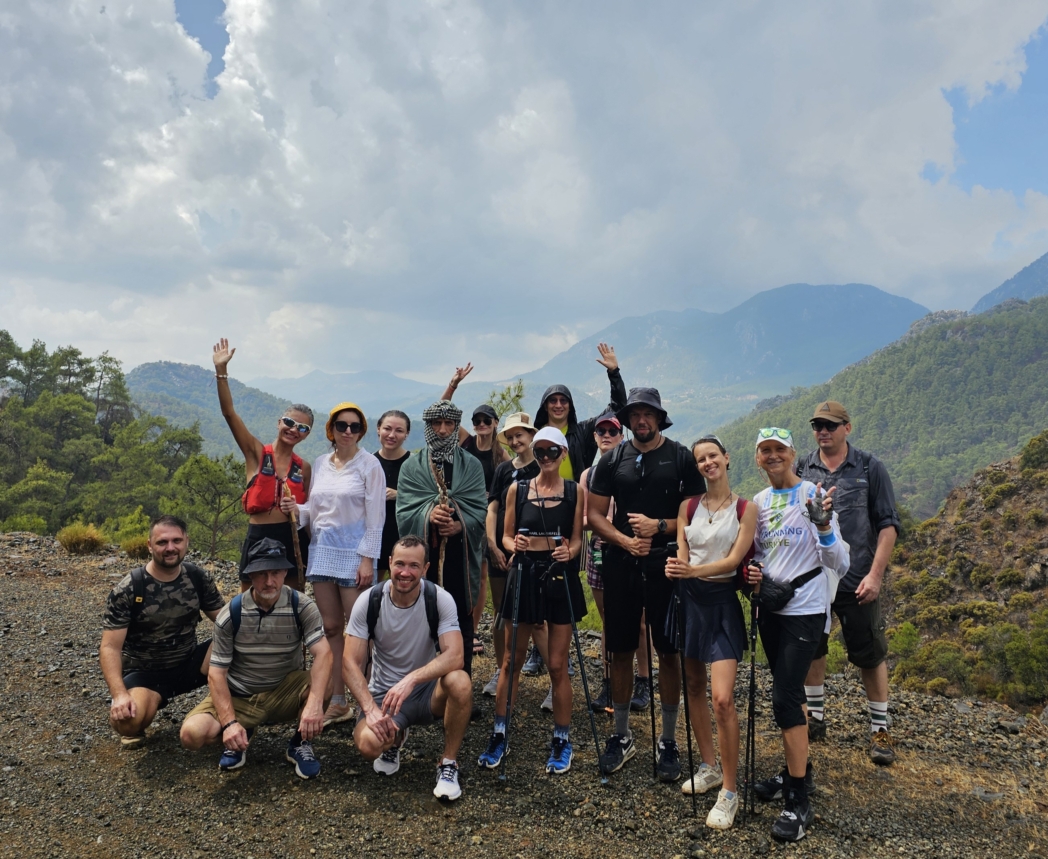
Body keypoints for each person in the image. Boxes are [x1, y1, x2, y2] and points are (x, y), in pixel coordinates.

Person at [588, 388, 705, 780]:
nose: (642, 419)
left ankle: (668, 740)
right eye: (635, 413)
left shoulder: (680, 457)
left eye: (648, 414)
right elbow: (594, 515)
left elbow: (696, 515)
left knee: (668, 652)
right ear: (627, 419)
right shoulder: (613, 459)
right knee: (620, 650)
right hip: (621, 564)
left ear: (659, 418)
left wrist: (658, 528)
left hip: (667, 564)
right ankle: (622, 735)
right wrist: (623, 541)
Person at [749, 427, 849, 843]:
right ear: (757, 458)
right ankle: (799, 771)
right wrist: (750, 574)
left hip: (805, 610)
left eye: (779, 450)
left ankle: (797, 801)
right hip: (772, 610)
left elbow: (839, 561)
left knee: (785, 697)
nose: (773, 457)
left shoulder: (812, 495)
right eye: (765, 451)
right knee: (787, 692)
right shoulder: (758, 502)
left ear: (792, 453)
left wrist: (823, 524)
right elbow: (756, 551)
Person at [795, 401, 900, 765]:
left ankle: (879, 729)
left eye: (830, 425)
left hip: (858, 581)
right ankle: (817, 719)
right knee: (814, 649)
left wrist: (875, 575)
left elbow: (887, 525)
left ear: (847, 428)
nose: (823, 431)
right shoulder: (803, 468)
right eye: (817, 425)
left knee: (870, 654)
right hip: (814, 581)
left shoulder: (870, 467)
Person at [477, 427, 586, 774]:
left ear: (564, 453)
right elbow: (507, 536)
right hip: (523, 572)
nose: (546, 458)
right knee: (511, 660)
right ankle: (499, 733)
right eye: (540, 452)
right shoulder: (517, 488)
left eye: (553, 451)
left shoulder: (575, 491)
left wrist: (571, 551)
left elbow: (578, 540)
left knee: (556, 663)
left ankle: (561, 738)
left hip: (558, 574)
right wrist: (514, 546)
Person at [665, 436, 759, 830]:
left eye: (712, 456)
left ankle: (731, 790)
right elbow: (683, 548)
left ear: (726, 458)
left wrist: (690, 571)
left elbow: (734, 560)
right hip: (689, 602)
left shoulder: (745, 508)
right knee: (692, 683)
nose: (707, 463)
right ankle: (709, 766)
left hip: (720, 603)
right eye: (700, 459)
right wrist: (678, 567)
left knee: (722, 698)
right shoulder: (688, 507)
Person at [179, 538, 332, 779]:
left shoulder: (301, 606)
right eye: (261, 573)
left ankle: (300, 742)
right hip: (240, 694)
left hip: (284, 691)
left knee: (326, 681)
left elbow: (323, 653)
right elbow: (216, 673)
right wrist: (229, 722)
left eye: (275, 572)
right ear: (250, 574)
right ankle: (240, 733)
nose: (269, 581)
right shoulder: (232, 613)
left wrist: (314, 703)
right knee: (192, 734)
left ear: (284, 572)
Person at [521, 342, 626, 677]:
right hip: (537, 512)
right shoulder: (537, 437)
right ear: (545, 406)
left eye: (563, 400)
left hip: (573, 513)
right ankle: (539, 651)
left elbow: (617, 410)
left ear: (570, 406)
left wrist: (614, 372)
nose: (558, 404)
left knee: (564, 578)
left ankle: (559, 647)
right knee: (537, 579)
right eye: (552, 400)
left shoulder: (582, 432)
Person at [279, 402, 384, 726]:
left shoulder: (370, 466)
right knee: (332, 628)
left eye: (355, 426)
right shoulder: (322, 463)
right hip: (323, 551)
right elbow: (315, 509)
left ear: (362, 430)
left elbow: (376, 517)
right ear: (332, 430)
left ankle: (372, 701)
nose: (348, 431)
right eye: (342, 425)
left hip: (355, 556)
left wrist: (368, 559)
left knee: (360, 631)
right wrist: (295, 507)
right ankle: (338, 701)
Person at [345, 536, 472, 801]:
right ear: (389, 563)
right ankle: (394, 735)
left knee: (460, 681)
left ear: (425, 569)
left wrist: (412, 678)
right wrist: (369, 709)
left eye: (414, 566)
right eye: (400, 564)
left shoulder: (438, 599)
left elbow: (456, 655)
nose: (405, 572)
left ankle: (448, 763)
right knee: (369, 745)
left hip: (427, 694)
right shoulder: (370, 601)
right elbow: (349, 662)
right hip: (385, 696)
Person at [100, 516, 224, 747]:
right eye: (162, 542)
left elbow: (226, 621)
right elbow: (109, 646)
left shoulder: (197, 577)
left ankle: (233, 714)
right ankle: (151, 699)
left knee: (237, 641)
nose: (170, 548)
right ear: (149, 545)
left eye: (177, 540)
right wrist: (119, 694)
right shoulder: (129, 588)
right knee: (128, 723)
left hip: (189, 662)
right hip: (145, 672)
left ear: (187, 541)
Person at [396, 400, 488, 678]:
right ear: (428, 426)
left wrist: (460, 525)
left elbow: (479, 511)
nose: (444, 430)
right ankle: (421, 686)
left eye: (449, 424)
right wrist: (428, 515)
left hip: (459, 558)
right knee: (420, 617)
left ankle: (461, 681)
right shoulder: (412, 466)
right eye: (437, 423)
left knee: (460, 618)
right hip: (425, 558)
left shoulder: (471, 466)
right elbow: (404, 510)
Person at [212, 337, 312, 589]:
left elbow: (309, 511)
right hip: (259, 536)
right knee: (251, 601)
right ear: (279, 422)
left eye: (302, 427)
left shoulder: (304, 468)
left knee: (291, 601)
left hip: (291, 538)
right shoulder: (256, 453)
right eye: (289, 422)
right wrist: (221, 371)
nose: (293, 429)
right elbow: (229, 414)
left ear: (307, 434)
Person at [578, 413, 651, 714]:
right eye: (601, 431)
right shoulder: (588, 475)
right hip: (599, 551)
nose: (606, 435)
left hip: (632, 552)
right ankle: (610, 681)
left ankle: (644, 679)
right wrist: (602, 525)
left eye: (612, 431)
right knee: (610, 618)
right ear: (594, 437)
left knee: (641, 620)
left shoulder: (634, 469)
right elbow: (582, 519)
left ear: (622, 436)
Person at [441, 366, 511, 654]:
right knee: (466, 570)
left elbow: (508, 484)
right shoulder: (466, 443)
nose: (481, 424)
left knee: (481, 574)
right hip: (464, 515)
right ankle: (461, 627)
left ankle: (472, 630)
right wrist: (453, 384)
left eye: (486, 420)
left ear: (495, 423)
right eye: (477, 420)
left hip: (488, 519)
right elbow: (442, 413)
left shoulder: (501, 452)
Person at [482, 412, 544, 698]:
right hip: (500, 549)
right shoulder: (504, 470)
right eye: (511, 436)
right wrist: (493, 545)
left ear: (532, 436)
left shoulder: (542, 467)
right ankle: (501, 668)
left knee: (537, 616)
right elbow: (492, 507)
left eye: (521, 435)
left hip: (530, 551)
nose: (516, 440)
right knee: (500, 611)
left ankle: (558, 676)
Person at [375, 410, 412, 579]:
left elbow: (428, 497)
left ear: (407, 434)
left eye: (399, 431)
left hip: (405, 536)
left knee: (404, 584)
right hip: (374, 537)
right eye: (387, 429)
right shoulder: (368, 463)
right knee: (368, 589)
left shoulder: (415, 464)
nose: (391, 435)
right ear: (378, 429)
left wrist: (401, 495)